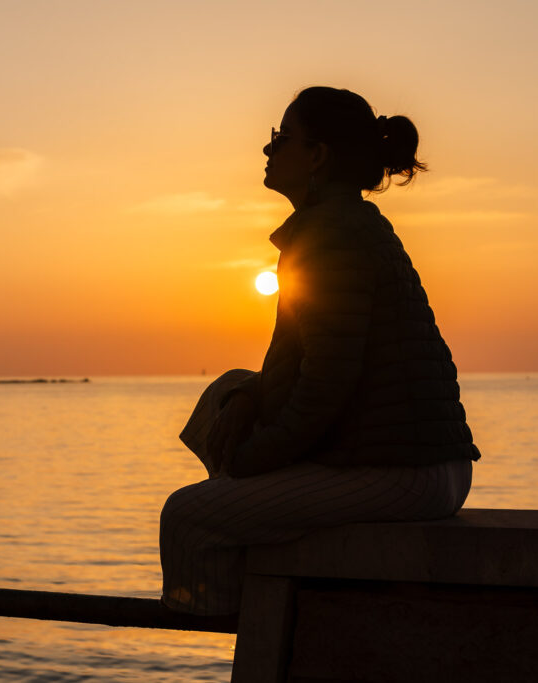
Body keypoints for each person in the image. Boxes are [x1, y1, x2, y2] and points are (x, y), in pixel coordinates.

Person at [159, 86, 480, 616]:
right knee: (225, 392)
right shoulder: (340, 226)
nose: (268, 150)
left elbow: (327, 382)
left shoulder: (332, 238)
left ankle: (247, 626)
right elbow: (316, 362)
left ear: (317, 155)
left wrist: (248, 463)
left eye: (280, 138)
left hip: (405, 473)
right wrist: (246, 398)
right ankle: (251, 529)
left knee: (187, 516)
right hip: (407, 460)